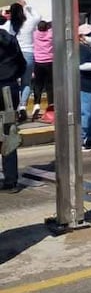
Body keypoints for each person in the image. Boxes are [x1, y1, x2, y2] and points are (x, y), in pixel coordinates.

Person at [3, 0, 40, 122]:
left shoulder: (9, 25)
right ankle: (23, 105)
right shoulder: (29, 22)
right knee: (26, 83)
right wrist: (27, 6)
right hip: (29, 53)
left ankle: (12, 107)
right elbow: (38, 16)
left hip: (14, 55)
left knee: (12, 82)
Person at [0, 26, 26, 191]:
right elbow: (22, 64)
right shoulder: (10, 39)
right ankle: (11, 180)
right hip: (9, 90)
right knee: (9, 133)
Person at [31, 21, 54, 110]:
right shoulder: (50, 35)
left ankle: (36, 103)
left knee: (38, 84)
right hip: (49, 62)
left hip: (38, 62)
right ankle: (51, 103)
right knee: (50, 84)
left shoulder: (35, 35)